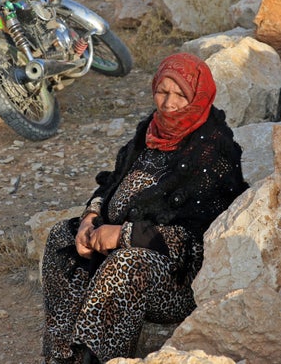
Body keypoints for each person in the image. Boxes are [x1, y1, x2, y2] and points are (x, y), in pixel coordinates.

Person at [40, 52, 249, 363]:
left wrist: (124, 234)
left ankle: (98, 358)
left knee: (126, 264)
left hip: (177, 278)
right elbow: (111, 182)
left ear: (199, 97)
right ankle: (62, 354)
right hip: (119, 241)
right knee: (62, 236)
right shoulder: (149, 132)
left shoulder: (212, 152)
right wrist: (91, 218)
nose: (168, 103)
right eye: (162, 92)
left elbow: (196, 241)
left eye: (180, 94)